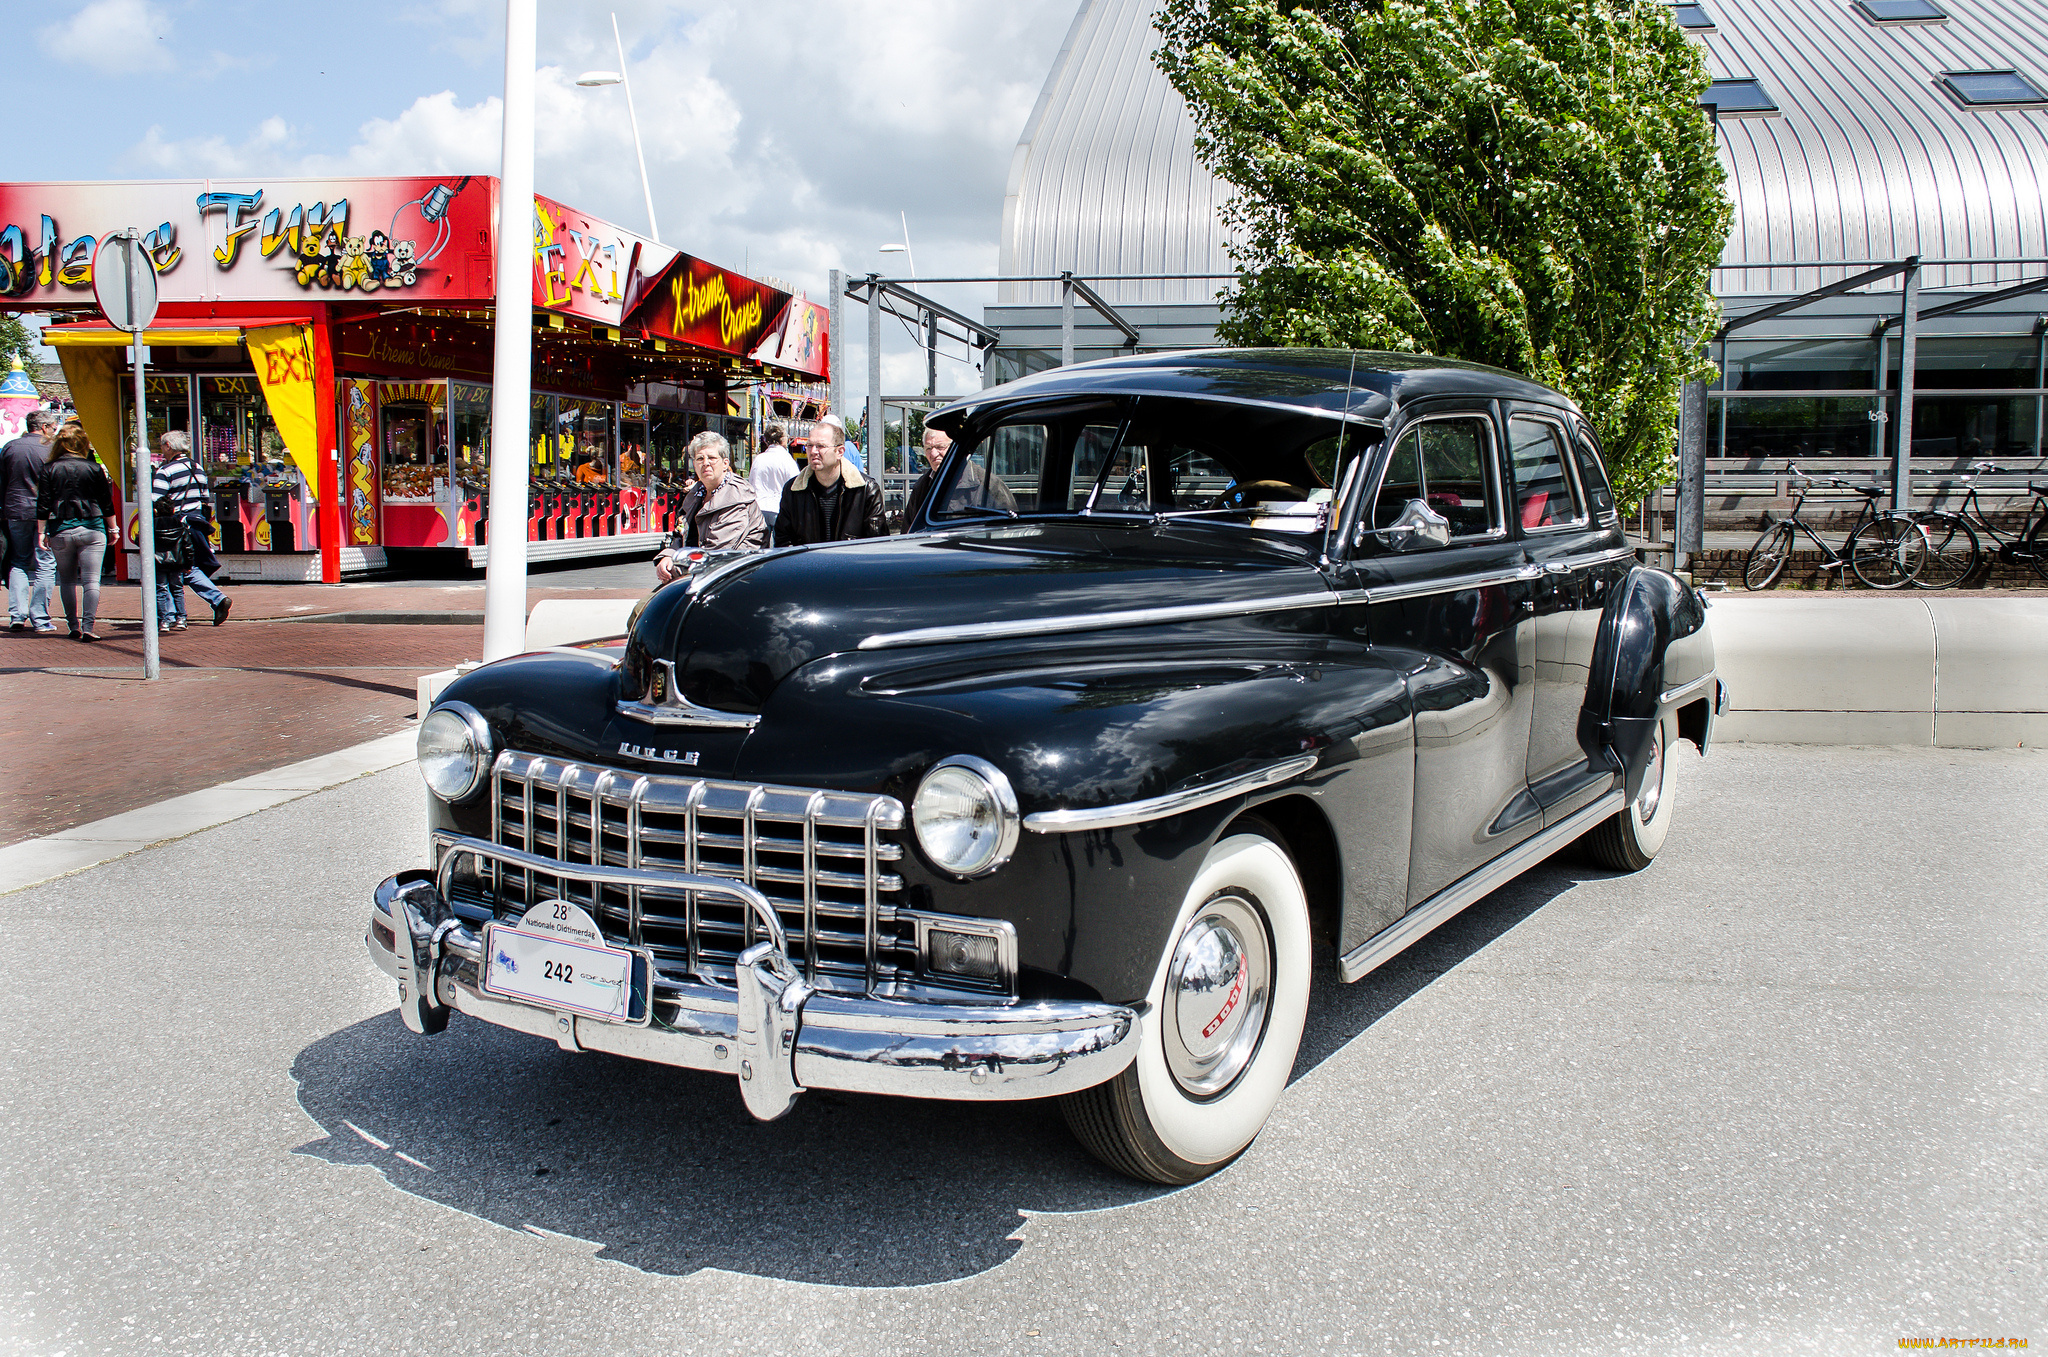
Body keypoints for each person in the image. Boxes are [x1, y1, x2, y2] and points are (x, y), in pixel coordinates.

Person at [34, 425, 118, 642]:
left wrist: (41, 532)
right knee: (92, 582)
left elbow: (43, 504)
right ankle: (89, 625)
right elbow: (105, 502)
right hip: (92, 527)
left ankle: (73, 625)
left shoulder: (48, 469)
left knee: (67, 581)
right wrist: (113, 528)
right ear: (82, 444)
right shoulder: (94, 468)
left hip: (61, 529)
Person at [652, 432, 768, 584]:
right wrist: (668, 556)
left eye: (712, 458)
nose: (706, 463)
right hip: (701, 576)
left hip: (735, 579)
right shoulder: (696, 494)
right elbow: (680, 534)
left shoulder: (735, 497)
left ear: (725, 463)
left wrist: (674, 568)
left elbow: (717, 554)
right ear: (694, 464)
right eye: (700, 458)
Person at [773, 418, 886, 546]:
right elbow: (783, 542)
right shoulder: (793, 490)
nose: (813, 451)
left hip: (851, 565)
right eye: (810, 445)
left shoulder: (866, 490)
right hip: (808, 565)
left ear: (840, 452)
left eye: (821, 446)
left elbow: (877, 545)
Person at [3, 409, 58, 633]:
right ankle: (40, 618)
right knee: (46, 562)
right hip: (45, 513)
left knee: (19, 560)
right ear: (44, 427)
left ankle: (17, 615)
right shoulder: (51, 449)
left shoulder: (10, 447)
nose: (54, 432)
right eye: (54, 428)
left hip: (15, 509)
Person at [901, 426, 1017, 528]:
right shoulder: (923, 486)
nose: (933, 454)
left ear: (956, 448)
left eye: (940, 447)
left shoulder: (989, 484)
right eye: (928, 448)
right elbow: (909, 531)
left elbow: (1011, 528)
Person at [151, 431, 227, 583]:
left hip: (176, 526)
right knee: (190, 566)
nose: (161, 450)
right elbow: (205, 497)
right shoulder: (197, 467)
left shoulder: (165, 471)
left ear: (168, 446)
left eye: (161, 446)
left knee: (177, 567)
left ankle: (217, 598)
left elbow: (155, 502)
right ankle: (217, 598)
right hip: (197, 523)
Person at [150, 494, 231, 630]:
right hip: (192, 523)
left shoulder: (164, 472)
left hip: (162, 555)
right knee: (181, 581)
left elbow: (155, 496)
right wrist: (187, 563)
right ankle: (185, 616)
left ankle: (167, 618)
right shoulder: (198, 471)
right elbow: (205, 496)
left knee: (163, 586)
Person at [747, 422, 800, 536]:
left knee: (761, 549)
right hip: (779, 509)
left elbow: (751, 483)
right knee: (780, 547)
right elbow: (796, 486)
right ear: (783, 439)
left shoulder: (759, 459)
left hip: (759, 509)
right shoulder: (787, 460)